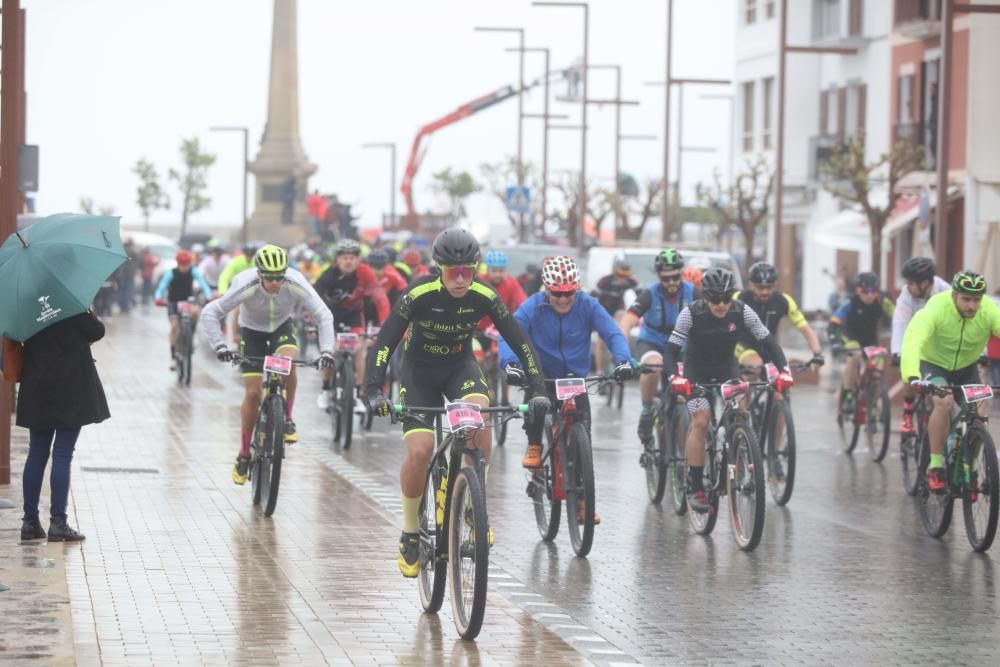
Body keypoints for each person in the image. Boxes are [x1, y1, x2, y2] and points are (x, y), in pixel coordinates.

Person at [364, 227, 549, 578]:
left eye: (468, 270)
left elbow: (520, 341)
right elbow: (386, 341)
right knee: (420, 452)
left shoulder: (484, 295)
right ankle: (409, 532)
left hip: (459, 367)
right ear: (439, 269)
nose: (461, 280)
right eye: (453, 272)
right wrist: (373, 389)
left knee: (478, 423)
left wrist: (538, 387)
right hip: (419, 373)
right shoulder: (417, 293)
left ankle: (472, 504)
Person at [499, 256, 634, 524]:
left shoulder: (587, 305)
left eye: (569, 294)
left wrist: (623, 360)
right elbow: (509, 334)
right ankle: (535, 444)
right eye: (557, 294)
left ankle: (583, 502)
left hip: (574, 376)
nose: (562, 300)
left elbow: (613, 333)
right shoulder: (533, 306)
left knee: (582, 434)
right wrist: (511, 364)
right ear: (546, 288)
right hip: (542, 373)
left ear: (578, 289)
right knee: (536, 401)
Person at [201, 244, 336, 484]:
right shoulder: (245, 283)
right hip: (251, 333)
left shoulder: (295, 281)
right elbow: (210, 313)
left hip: (281, 329)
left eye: (279, 277)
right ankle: (243, 454)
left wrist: (327, 351)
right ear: (259, 273)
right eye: (270, 278)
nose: (275, 283)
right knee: (252, 394)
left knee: (287, 361)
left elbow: (324, 315)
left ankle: (288, 419)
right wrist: (220, 346)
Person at [661, 267, 792, 512]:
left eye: (725, 299)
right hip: (696, 371)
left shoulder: (741, 311)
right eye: (714, 299)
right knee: (701, 420)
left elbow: (768, 341)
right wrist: (673, 377)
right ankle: (696, 483)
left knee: (742, 408)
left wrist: (784, 370)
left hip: (726, 369)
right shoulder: (690, 314)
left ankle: (740, 450)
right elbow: (670, 351)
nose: (721, 305)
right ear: (705, 297)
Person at [901, 271, 1000, 492]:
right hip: (933, 364)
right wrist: (912, 374)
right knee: (944, 402)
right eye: (966, 298)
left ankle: (970, 469)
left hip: (966, 369)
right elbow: (913, 338)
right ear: (954, 295)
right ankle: (935, 467)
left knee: (979, 414)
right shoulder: (937, 307)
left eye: (976, 299)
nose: (972, 305)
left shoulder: (989, 311)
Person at [18, 310, 110, 543]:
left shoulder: (28, 303)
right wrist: (89, 311)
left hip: (37, 383)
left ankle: (29, 522)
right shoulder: (71, 302)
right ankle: (58, 522)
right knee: (62, 454)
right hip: (71, 386)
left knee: (36, 452)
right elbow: (97, 331)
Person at [617, 249, 697, 445]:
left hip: (681, 346)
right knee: (653, 366)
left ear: (681, 273)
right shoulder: (649, 294)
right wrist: (622, 354)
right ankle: (646, 411)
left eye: (675, 277)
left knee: (687, 384)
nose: (671, 283)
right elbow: (626, 323)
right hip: (653, 341)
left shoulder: (693, 292)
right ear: (658, 276)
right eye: (665, 278)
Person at [314, 238, 390, 410]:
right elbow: (313, 298)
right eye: (344, 257)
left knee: (358, 351)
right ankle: (325, 390)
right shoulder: (328, 275)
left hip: (354, 315)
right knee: (330, 352)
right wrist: (312, 321)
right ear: (337, 260)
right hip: (330, 317)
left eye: (352, 257)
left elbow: (380, 298)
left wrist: (386, 323)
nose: (348, 261)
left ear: (358, 260)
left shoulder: (366, 273)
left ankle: (356, 394)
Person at [890, 256, 950, 434]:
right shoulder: (907, 294)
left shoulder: (946, 291)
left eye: (910, 283)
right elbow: (900, 321)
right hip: (914, 338)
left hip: (939, 342)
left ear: (925, 283)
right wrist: (897, 351)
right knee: (909, 370)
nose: (907, 286)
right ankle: (908, 413)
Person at [735, 261, 825, 373]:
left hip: (769, 347)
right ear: (751, 284)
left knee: (782, 380)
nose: (765, 291)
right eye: (760, 287)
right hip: (743, 345)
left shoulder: (784, 301)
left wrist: (817, 354)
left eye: (769, 287)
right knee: (756, 365)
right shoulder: (738, 298)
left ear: (775, 284)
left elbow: (806, 329)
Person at [827, 271, 895, 413]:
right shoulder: (849, 302)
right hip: (851, 337)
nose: (870, 294)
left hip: (870, 339)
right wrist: (834, 341)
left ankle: (873, 406)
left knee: (877, 372)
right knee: (855, 356)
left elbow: (899, 318)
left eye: (874, 290)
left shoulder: (882, 301)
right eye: (866, 291)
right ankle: (849, 395)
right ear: (858, 290)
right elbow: (833, 323)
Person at [154, 250, 214, 371]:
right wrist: (158, 298)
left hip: (187, 301)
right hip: (173, 302)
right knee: (175, 326)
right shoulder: (171, 273)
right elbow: (161, 288)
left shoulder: (193, 271)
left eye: (187, 264)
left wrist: (209, 297)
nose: (185, 267)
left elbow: (203, 285)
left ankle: (190, 336)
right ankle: (173, 357)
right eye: (182, 264)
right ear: (178, 263)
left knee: (195, 312)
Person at [591, 257, 638, 378]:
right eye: (619, 275)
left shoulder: (631, 281)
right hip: (603, 310)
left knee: (622, 322)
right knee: (601, 341)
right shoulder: (604, 281)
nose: (622, 279)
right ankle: (600, 371)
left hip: (618, 310)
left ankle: (620, 354)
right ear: (614, 272)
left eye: (625, 276)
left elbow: (642, 296)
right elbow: (591, 298)